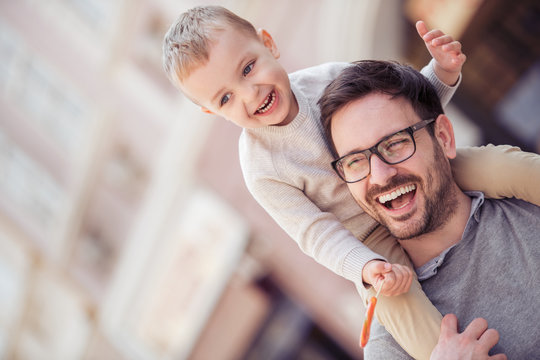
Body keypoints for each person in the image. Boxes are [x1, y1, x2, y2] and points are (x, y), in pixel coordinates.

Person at [162, 6, 538, 359]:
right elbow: (315, 233)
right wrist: (365, 267)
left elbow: (404, 112)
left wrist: (441, 73)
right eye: (226, 97)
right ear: (211, 110)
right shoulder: (261, 168)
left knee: (500, 164)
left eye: (247, 69)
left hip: (416, 169)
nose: (250, 94)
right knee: (396, 299)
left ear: (268, 43)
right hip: (366, 239)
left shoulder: (329, 79)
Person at [319, 59, 540, 358]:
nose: (381, 175)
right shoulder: (393, 346)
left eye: (395, 143)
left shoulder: (528, 198)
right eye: (355, 161)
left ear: (444, 138)